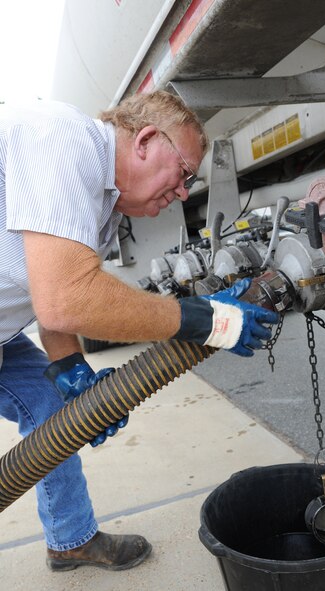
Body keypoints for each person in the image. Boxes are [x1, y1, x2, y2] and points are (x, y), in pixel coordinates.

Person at [0, 91, 278, 571]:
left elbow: (44, 287)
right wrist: (201, 319)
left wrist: (70, 368)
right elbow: (65, 296)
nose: (185, 192)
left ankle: (71, 540)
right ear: (146, 139)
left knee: (54, 418)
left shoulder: (105, 210)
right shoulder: (61, 138)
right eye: (185, 173)